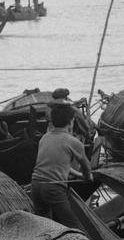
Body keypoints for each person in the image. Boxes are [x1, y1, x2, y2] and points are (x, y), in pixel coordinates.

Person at [30, 97, 93, 229]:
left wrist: (79, 176)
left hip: (35, 186)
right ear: (71, 122)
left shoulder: (44, 137)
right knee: (75, 226)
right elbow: (87, 168)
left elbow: (56, 165)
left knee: (45, 226)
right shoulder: (73, 142)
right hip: (53, 188)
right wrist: (88, 178)